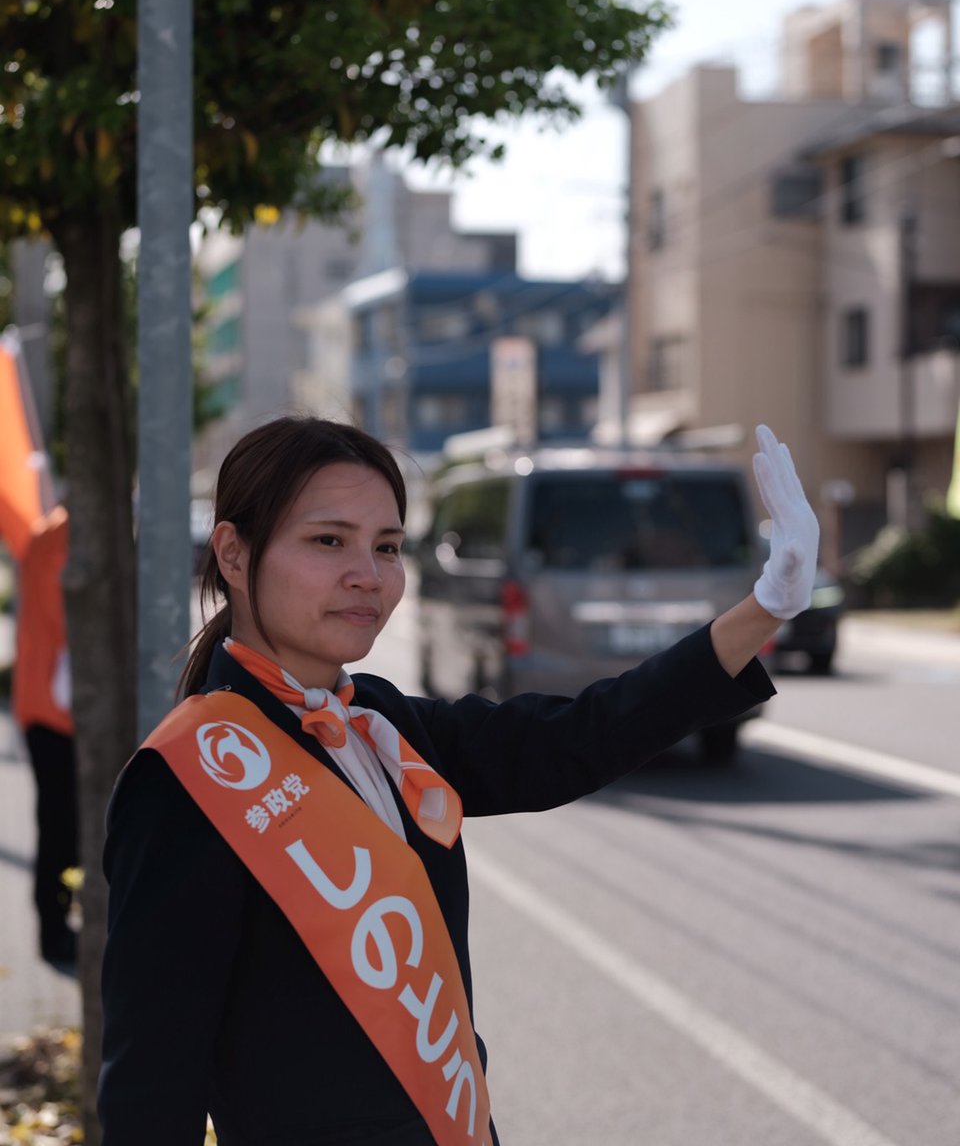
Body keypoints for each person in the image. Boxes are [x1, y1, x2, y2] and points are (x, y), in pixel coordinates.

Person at [98, 416, 818, 1145]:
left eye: (385, 547)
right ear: (233, 552)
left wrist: (764, 609)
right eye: (328, 540)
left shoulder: (382, 721)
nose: (367, 575)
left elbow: (575, 739)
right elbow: (152, 1086)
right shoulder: (189, 777)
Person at [13, 505, 79, 967]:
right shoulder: (66, 536)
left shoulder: (47, 534)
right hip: (59, 710)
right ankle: (56, 936)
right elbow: (68, 617)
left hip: (44, 703)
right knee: (62, 826)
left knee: (59, 825)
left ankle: (57, 931)